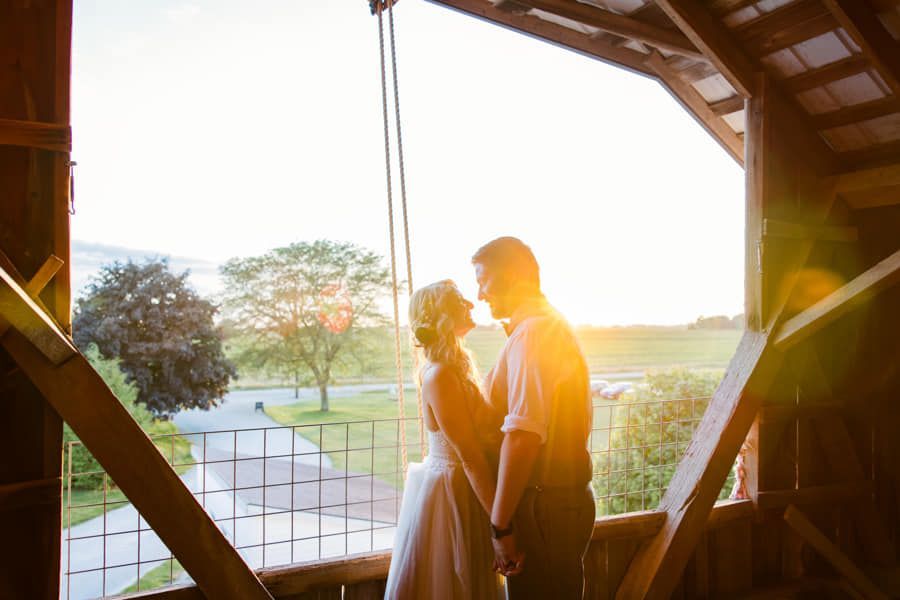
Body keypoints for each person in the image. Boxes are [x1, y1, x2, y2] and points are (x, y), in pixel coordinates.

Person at [474, 237, 595, 599]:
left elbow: (524, 434)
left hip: (545, 506)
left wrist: (500, 526)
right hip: (552, 502)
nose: (480, 294)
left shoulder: (535, 334)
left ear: (511, 276)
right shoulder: (544, 327)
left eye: (483, 280)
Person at [384, 280, 505, 600]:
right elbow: (470, 458)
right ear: (443, 316)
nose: (471, 304)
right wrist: (502, 527)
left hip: (467, 486)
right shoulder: (440, 375)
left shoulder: (455, 368)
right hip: (453, 492)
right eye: (460, 301)